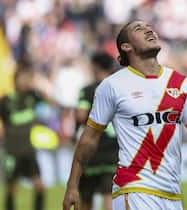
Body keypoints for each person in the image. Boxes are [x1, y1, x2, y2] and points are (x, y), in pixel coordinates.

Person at [63, 20, 187, 210]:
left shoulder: (180, 82)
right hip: (134, 190)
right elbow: (89, 139)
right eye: (138, 28)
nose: (148, 29)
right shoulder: (112, 86)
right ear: (126, 46)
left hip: (172, 195)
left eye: (149, 27)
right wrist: (72, 185)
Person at [0, 63, 45, 210]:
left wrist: (36, 84)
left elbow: (50, 100)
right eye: (24, 78)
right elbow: (0, 125)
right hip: (12, 151)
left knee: (40, 186)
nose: (26, 81)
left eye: (28, 78)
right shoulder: (5, 100)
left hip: (28, 150)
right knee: (11, 188)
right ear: (16, 79)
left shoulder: (32, 97)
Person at [76, 52, 118, 210]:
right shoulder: (117, 89)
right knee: (110, 194)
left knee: (86, 196)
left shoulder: (87, 90)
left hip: (92, 149)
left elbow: (80, 115)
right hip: (114, 149)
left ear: (94, 66)